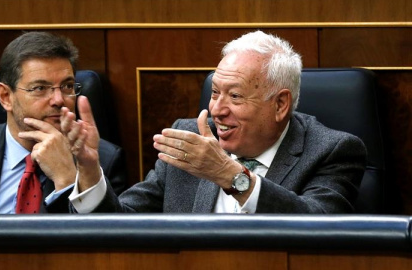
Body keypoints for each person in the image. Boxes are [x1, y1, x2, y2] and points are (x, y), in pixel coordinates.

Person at [63, 30, 366, 214]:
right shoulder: (188, 138)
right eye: (215, 92)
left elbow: (318, 230)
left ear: (280, 104)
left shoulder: (331, 151)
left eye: (235, 97)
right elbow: (123, 225)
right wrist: (89, 172)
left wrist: (229, 175)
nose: (217, 110)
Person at [0, 31, 126, 214]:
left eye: (67, 86)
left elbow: (101, 244)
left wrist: (68, 180)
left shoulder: (101, 162)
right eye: (40, 88)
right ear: (6, 96)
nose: (59, 99)